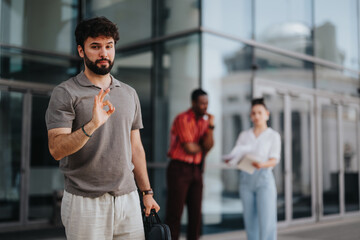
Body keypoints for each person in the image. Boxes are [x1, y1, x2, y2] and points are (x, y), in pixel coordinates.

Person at [45, 17, 159, 240]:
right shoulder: (66, 92)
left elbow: (136, 148)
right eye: (95, 47)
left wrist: (147, 193)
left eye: (109, 46)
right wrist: (92, 125)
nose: (104, 53)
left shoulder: (129, 93)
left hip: (128, 199)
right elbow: (56, 149)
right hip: (84, 202)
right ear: (81, 51)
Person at [225, 98, 281, 240]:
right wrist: (232, 160)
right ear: (250, 116)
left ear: (267, 114)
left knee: (267, 225)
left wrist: (261, 165)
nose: (256, 116)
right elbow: (237, 155)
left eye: (259, 113)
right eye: (253, 113)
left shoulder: (273, 136)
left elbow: (274, 160)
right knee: (251, 225)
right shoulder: (244, 135)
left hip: (264, 179)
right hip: (246, 180)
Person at [165, 89, 215, 240]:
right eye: (201, 103)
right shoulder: (183, 119)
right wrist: (202, 147)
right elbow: (189, 148)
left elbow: (210, 145)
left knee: (196, 215)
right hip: (179, 169)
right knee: (175, 213)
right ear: (193, 103)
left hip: (197, 170)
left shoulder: (206, 123)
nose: (205, 107)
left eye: (206, 103)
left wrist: (211, 128)